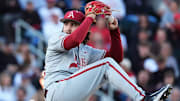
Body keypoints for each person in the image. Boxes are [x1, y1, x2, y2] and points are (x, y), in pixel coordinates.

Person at [44, 9, 172, 101]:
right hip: (57, 90)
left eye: (73, 24)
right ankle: (143, 98)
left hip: (72, 93)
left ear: (83, 27)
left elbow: (115, 59)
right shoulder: (57, 38)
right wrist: (90, 17)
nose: (67, 27)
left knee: (108, 69)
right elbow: (74, 40)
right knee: (106, 66)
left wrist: (114, 32)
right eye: (66, 23)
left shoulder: (85, 50)